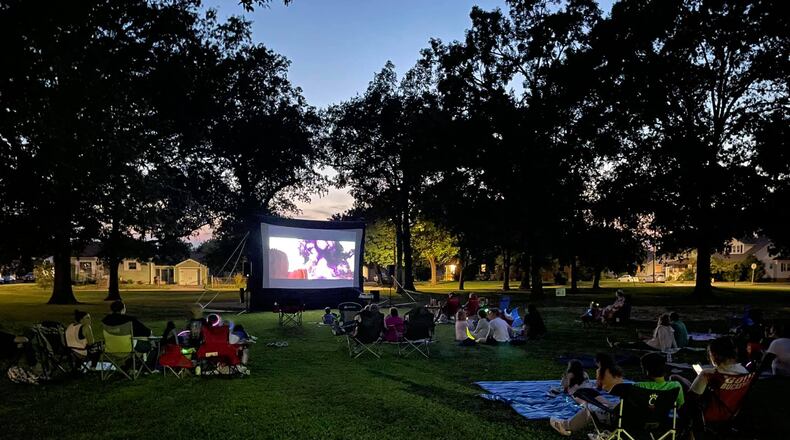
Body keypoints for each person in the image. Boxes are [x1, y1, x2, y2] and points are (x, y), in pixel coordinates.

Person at [670, 337, 749, 438]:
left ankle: (686, 430)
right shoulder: (744, 372)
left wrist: (700, 377)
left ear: (714, 355)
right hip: (732, 410)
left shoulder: (708, 374)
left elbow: (691, 397)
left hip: (710, 413)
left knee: (676, 378)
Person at [550, 354, 626, 436]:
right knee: (607, 403)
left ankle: (564, 425)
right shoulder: (585, 374)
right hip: (592, 391)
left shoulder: (568, 374)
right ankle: (613, 409)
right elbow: (590, 384)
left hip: (580, 393)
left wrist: (565, 391)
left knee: (586, 405)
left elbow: (565, 387)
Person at [608, 314, 677, 352]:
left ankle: (615, 344)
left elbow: (662, 340)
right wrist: (676, 348)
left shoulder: (660, 328)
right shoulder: (670, 328)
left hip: (653, 347)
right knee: (637, 343)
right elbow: (673, 340)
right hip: (656, 345)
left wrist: (663, 351)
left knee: (634, 344)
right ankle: (616, 343)